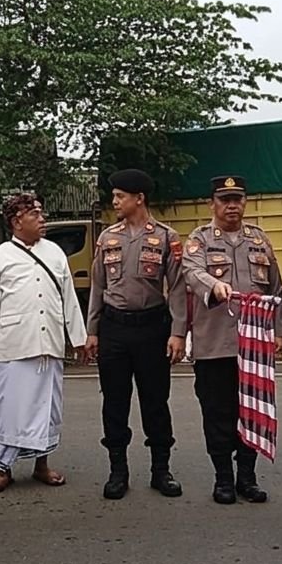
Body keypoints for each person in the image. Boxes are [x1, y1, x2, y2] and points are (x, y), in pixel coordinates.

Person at [182, 175, 282, 504]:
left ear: (245, 202)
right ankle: (223, 479)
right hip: (215, 345)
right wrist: (213, 285)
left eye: (238, 199)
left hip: (254, 346)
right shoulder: (199, 240)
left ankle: (247, 477)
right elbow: (192, 272)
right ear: (212, 204)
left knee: (252, 411)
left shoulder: (259, 239)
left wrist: (280, 330)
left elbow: (276, 288)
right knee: (217, 413)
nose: (232, 205)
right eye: (224, 200)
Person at [85, 169, 188, 500]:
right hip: (114, 328)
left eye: (120, 196)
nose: (114, 201)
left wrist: (178, 332)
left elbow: (178, 287)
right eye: (114, 196)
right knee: (114, 402)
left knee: (155, 401)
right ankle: (118, 471)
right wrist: (92, 330)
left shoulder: (166, 237)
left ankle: (161, 470)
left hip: (152, 327)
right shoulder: (107, 238)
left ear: (139, 199)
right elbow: (98, 286)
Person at [0, 193, 87, 493]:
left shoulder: (55, 253)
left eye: (41, 213)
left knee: (46, 407)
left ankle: (42, 465)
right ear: (17, 221)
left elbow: (68, 298)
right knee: (9, 408)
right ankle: (4, 468)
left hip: (49, 342)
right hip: (13, 344)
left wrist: (78, 339)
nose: (42, 219)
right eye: (35, 214)